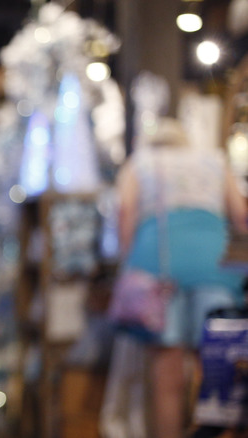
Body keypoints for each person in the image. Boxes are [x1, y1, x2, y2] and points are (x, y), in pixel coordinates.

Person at [115, 117, 248, 437]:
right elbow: (241, 217)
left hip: (158, 272)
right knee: (217, 365)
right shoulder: (214, 160)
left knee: (167, 372)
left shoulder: (140, 162)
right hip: (215, 268)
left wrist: (126, 262)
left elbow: (125, 213)